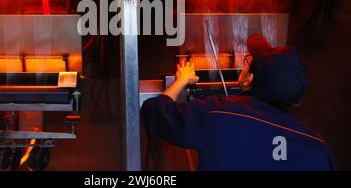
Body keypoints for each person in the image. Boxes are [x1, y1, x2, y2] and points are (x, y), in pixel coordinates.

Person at [141, 34, 336, 170]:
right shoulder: (317, 147)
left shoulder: (218, 115)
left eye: (247, 61)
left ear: (249, 79)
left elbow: (155, 112)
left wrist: (182, 80)